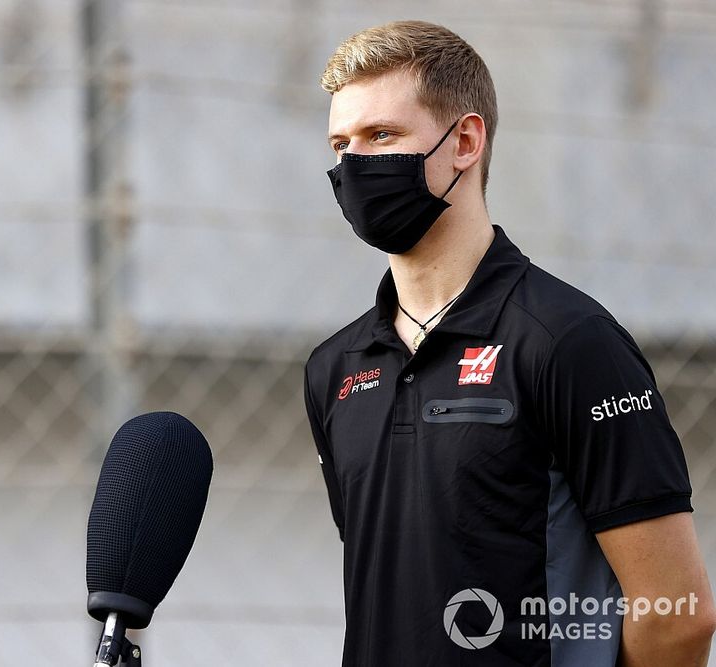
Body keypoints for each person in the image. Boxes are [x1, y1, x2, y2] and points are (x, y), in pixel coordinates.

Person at [304, 20, 716, 666]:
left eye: (380, 135)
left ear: (465, 141)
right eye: (340, 143)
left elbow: (679, 616)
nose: (354, 164)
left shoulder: (570, 343)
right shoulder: (335, 369)